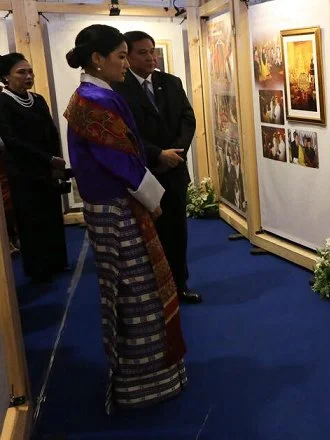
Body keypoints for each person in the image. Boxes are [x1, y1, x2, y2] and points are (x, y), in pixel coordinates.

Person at [63, 24, 187, 414]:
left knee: (141, 288)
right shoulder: (93, 101)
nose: (125, 63)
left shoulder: (96, 96)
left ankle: (153, 375)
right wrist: (152, 197)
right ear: (97, 60)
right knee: (136, 294)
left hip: (121, 201)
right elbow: (121, 159)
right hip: (116, 205)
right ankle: (141, 383)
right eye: (121, 56)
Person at [112, 31, 200, 303]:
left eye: (153, 51)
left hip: (174, 171)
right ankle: (151, 292)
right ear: (127, 56)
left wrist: (176, 152)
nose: (151, 57)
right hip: (143, 172)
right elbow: (124, 132)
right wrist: (157, 154)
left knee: (176, 231)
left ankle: (179, 284)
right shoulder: (117, 88)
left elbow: (188, 119)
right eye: (142, 52)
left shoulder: (170, 82)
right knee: (145, 236)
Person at [0, 53, 68, 281]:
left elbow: (52, 131)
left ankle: (57, 262)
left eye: (30, 72)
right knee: (31, 220)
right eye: (21, 72)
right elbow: (11, 140)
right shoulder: (2, 102)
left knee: (52, 215)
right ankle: (38, 270)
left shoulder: (37, 100)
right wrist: (47, 159)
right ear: (5, 77)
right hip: (22, 172)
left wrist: (56, 159)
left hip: (47, 170)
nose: (28, 76)